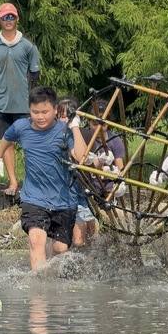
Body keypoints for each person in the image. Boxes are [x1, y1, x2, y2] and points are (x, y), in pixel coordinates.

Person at [0, 87, 88, 271]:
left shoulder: (64, 131)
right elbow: (6, 138)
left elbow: (81, 157)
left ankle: (54, 281)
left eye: (45, 112)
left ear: (55, 110)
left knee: (60, 248)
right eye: (35, 112)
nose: (40, 117)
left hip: (64, 200)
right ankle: (38, 292)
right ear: (29, 110)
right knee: (36, 240)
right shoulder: (21, 127)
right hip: (34, 198)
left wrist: (75, 128)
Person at [0, 2, 41, 190]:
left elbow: (34, 77)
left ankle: (33, 183)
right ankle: (13, 182)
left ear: (17, 19)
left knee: (30, 144)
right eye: (4, 17)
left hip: (24, 105)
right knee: (6, 144)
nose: (8, 20)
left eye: (11, 17)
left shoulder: (28, 47)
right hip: (2, 104)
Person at [67, 99, 126, 247]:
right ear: (88, 122)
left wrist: (112, 173)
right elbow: (77, 157)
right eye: (95, 123)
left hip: (105, 193)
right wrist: (96, 163)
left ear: (109, 123)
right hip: (84, 191)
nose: (99, 128)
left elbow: (121, 171)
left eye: (103, 124)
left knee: (100, 236)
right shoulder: (84, 137)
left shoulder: (115, 141)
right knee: (79, 239)